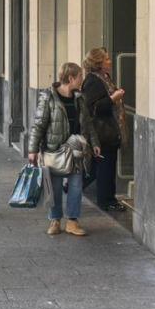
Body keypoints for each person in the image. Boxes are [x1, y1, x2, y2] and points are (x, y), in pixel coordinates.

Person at [29, 62, 99, 237]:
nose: (82, 80)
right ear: (71, 78)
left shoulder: (79, 98)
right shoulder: (48, 97)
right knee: (55, 187)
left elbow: (88, 123)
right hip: (54, 150)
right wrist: (33, 149)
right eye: (80, 77)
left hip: (75, 150)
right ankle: (55, 220)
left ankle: (72, 221)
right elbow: (38, 125)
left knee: (76, 186)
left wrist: (95, 142)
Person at [81, 48, 127, 212]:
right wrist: (113, 99)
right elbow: (92, 108)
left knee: (102, 166)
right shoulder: (92, 81)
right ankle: (106, 200)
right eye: (106, 59)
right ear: (98, 63)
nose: (110, 61)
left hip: (109, 131)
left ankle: (106, 197)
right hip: (102, 132)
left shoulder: (104, 77)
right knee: (103, 167)